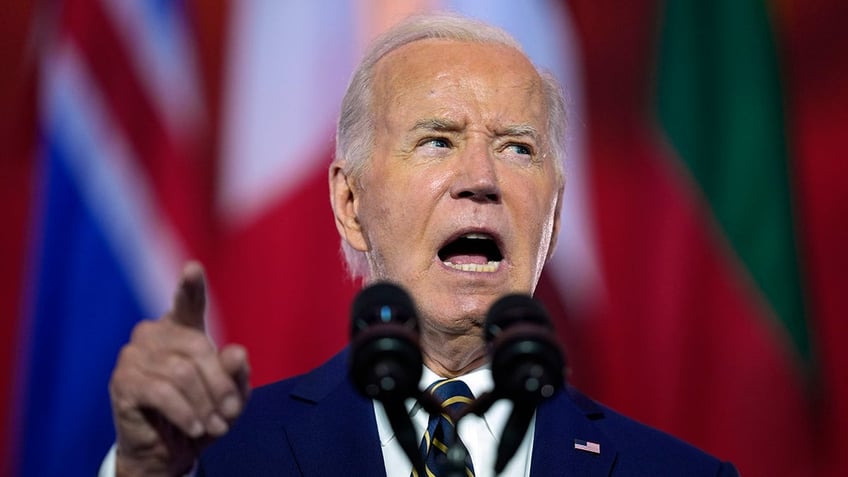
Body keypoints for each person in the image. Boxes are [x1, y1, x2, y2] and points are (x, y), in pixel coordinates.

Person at [102, 12, 739, 477]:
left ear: (556, 213)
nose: (482, 181)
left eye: (517, 147)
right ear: (350, 205)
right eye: (438, 140)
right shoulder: (224, 459)